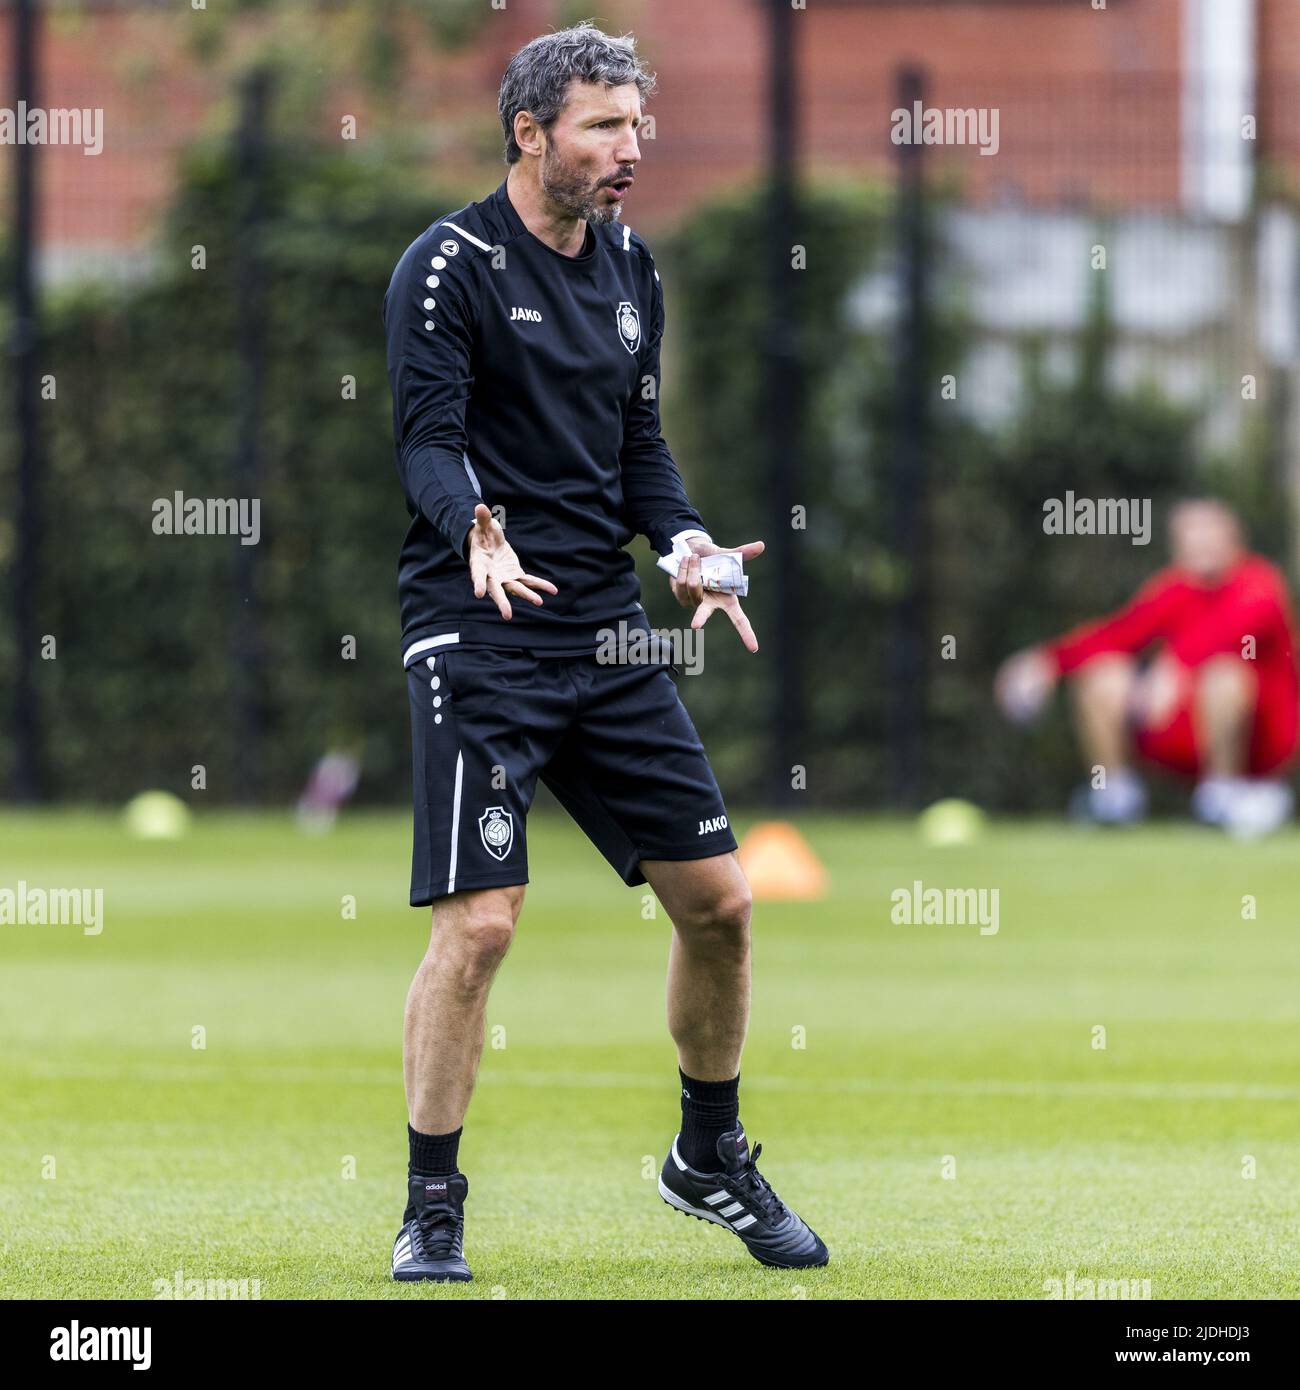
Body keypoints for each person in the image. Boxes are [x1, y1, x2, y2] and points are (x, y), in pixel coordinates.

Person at [381, 22, 828, 1281]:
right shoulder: (447, 267)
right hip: (477, 631)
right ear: (529, 133)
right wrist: (467, 520)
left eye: (637, 124)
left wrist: (683, 542)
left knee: (723, 907)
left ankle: (707, 1156)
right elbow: (425, 438)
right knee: (480, 927)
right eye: (603, 127)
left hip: (605, 632)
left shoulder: (632, 267)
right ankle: (432, 1204)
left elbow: (639, 453)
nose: (632, 149)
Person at [996, 499, 1298, 836]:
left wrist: (1176, 666)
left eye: (1208, 532)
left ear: (1233, 536)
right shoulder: (1173, 587)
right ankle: (1115, 799)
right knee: (1103, 675)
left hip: (1257, 747)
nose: (1199, 543)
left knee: (1224, 675)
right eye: (1189, 534)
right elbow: (1119, 634)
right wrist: (1045, 662)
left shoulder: (1261, 582)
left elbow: (1237, 631)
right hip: (1182, 733)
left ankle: (1225, 796)